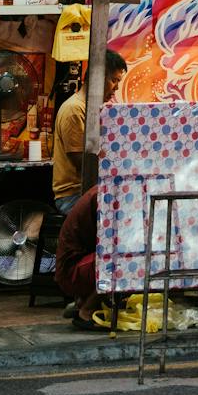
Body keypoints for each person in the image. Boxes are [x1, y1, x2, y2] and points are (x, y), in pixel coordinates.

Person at [52, 50, 127, 214]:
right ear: (97, 77)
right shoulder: (74, 109)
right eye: (114, 80)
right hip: (72, 196)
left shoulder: (94, 110)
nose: (116, 87)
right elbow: (83, 162)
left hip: (88, 190)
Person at [55, 182, 104, 331]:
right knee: (121, 263)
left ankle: (82, 301)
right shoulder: (103, 195)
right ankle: (86, 312)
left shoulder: (102, 191)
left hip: (80, 263)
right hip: (70, 272)